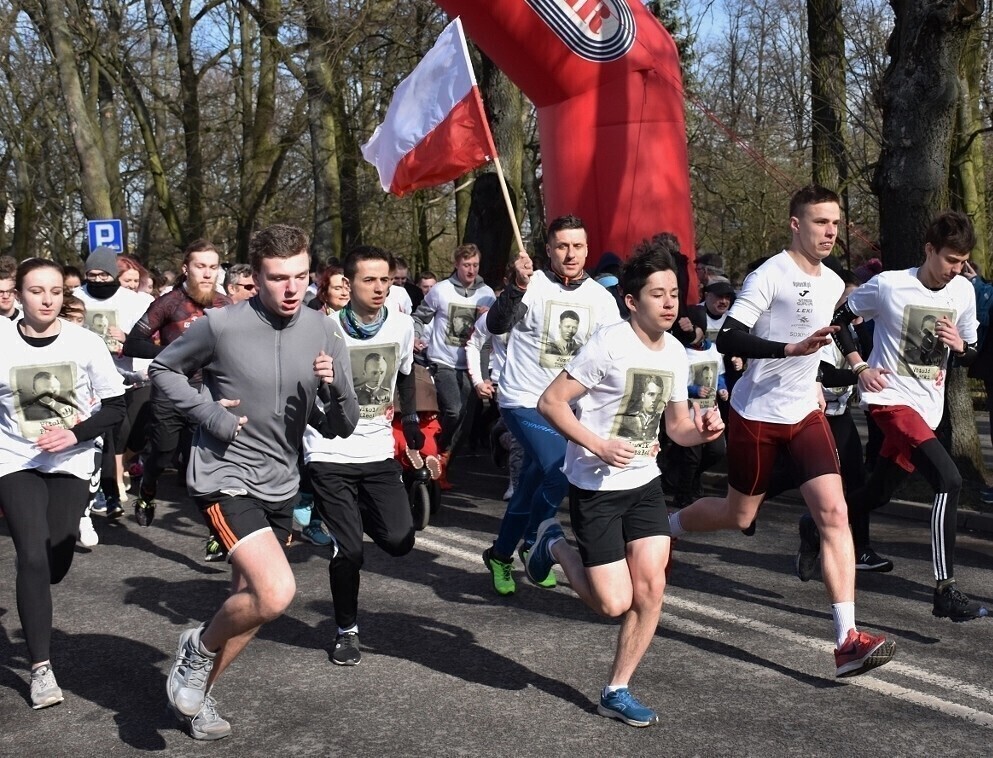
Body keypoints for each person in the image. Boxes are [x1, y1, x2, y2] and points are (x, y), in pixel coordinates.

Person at [669, 185, 895, 677]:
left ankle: (846, 641)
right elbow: (728, 335)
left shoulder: (835, 282)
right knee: (738, 513)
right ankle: (668, 529)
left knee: (835, 513)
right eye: (820, 222)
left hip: (806, 415)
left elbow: (842, 327)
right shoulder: (769, 275)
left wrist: (858, 367)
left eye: (835, 222)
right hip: (756, 415)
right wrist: (788, 350)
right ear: (796, 224)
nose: (830, 231)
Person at [150, 224, 359, 740]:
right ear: (255, 277)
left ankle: (196, 698)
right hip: (225, 473)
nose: (291, 288)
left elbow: (341, 425)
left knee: (249, 602)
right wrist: (210, 415)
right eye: (277, 277)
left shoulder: (326, 330)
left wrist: (332, 391)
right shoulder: (220, 325)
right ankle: (196, 649)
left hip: (282, 481)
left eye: (300, 277)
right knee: (275, 591)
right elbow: (162, 369)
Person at [527, 245, 724, 727]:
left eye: (675, 293)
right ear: (632, 301)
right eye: (658, 294)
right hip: (596, 485)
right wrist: (596, 444)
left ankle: (617, 688)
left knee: (651, 588)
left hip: (644, 483)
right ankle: (553, 544)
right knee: (614, 602)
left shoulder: (677, 352)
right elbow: (550, 403)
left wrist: (702, 431)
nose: (670, 302)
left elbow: (675, 427)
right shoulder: (609, 344)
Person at [822, 210, 988, 621]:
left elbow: (974, 354)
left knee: (878, 493)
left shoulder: (962, 293)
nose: (955, 269)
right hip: (890, 402)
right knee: (948, 480)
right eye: (949, 259)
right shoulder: (891, 284)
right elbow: (839, 320)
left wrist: (961, 346)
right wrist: (860, 365)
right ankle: (945, 589)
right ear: (929, 249)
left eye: (962, 261)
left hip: (928, 410)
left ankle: (814, 527)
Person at [0, 259, 125, 709]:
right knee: (31, 555)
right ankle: (41, 668)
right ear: (17, 294)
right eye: (36, 291)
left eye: (54, 290)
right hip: (15, 460)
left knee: (55, 559)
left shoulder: (84, 342)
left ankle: (47, 572)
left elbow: (115, 407)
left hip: (70, 461)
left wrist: (74, 433)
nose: (47, 299)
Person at [482, 215, 621, 596]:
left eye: (577, 246)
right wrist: (516, 287)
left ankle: (499, 553)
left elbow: (611, 358)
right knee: (558, 465)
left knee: (530, 483)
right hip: (523, 400)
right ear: (549, 250)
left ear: (587, 249)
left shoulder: (602, 300)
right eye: (562, 246)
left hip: (567, 407)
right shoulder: (534, 284)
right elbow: (496, 325)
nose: (570, 253)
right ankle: (537, 541)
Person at [303, 246, 420, 666]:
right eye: (368, 280)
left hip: (377, 451)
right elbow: (301, 391)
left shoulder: (402, 327)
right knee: (350, 551)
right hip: (329, 450)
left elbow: (405, 375)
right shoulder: (322, 327)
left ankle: (351, 517)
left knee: (400, 540)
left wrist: (409, 423)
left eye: (385, 280)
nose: (378, 288)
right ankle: (346, 630)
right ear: (347, 284)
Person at [124, 240, 230, 539]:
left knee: (204, 464)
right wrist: (174, 353)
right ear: (186, 269)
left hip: (208, 394)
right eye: (201, 266)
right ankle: (147, 485)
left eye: (213, 267)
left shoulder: (225, 305)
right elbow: (134, 342)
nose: (207, 273)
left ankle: (216, 534)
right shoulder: (169, 302)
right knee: (163, 454)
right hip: (171, 391)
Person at [75, 247, 154, 518]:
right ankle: (107, 489)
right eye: (92, 275)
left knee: (134, 434)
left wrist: (127, 339)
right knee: (109, 436)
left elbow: (149, 340)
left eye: (103, 274)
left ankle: (118, 475)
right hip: (90, 383)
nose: (97, 280)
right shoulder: (75, 298)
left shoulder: (134, 301)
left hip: (131, 376)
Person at [412, 244, 496, 467]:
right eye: (466, 265)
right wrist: (416, 336)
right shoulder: (441, 290)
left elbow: (488, 339)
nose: (471, 270)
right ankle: (440, 446)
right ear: (456, 265)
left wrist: (485, 373)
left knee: (466, 423)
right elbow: (419, 317)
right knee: (454, 410)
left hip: (471, 365)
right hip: (443, 361)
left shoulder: (487, 294)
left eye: (475, 265)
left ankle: (444, 464)